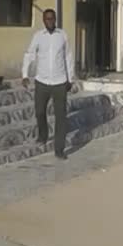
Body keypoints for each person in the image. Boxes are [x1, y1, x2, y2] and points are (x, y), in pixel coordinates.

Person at [22, 9, 73, 160]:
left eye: (52, 18)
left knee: (60, 117)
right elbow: (30, 54)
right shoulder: (38, 36)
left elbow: (68, 57)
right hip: (42, 82)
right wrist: (25, 75)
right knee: (39, 112)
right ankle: (43, 135)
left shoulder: (62, 35)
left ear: (55, 19)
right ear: (43, 20)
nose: (50, 21)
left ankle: (59, 149)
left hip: (59, 82)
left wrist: (70, 79)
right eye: (47, 19)